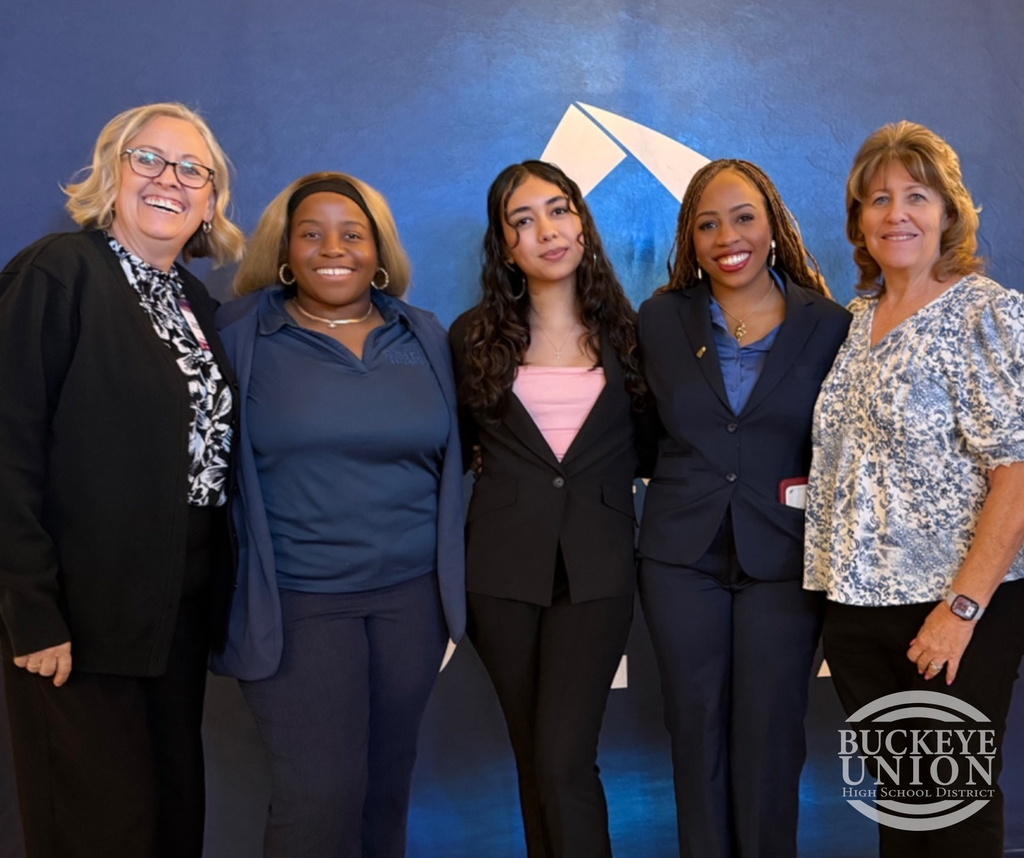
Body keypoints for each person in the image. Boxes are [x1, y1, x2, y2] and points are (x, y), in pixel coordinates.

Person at [0, 102, 244, 858]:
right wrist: (31, 611)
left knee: (170, 822)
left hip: (172, 618)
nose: (169, 179)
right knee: (97, 831)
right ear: (111, 173)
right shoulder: (58, 273)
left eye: (191, 170)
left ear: (209, 202)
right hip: (79, 624)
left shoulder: (195, 304)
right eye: (149, 159)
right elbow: (8, 448)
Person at [210, 171, 465, 857]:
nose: (334, 247)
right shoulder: (240, 335)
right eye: (312, 233)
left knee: (385, 790)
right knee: (317, 797)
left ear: (378, 250)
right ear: (285, 252)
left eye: (353, 233)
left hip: (411, 603)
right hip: (297, 601)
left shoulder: (425, 335)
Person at [805, 121, 1024, 858]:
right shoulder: (858, 320)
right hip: (861, 611)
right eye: (878, 199)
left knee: (953, 815)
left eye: (916, 196)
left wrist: (960, 610)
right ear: (859, 222)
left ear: (948, 213)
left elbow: (1017, 475)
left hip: (953, 615)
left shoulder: (984, 312)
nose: (896, 213)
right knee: (906, 814)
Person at [637, 159, 851, 858]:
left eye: (743, 217)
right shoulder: (661, 320)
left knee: (769, 731)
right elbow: (638, 434)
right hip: (680, 558)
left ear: (773, 225)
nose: (727, 236)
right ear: (690, 239)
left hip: (782, 558)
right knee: (695, 728)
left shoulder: (829, 323)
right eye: (707, 223)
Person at [449, 159, 647, 858]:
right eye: (522, 220)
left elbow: (653, 447)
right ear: (505, 246)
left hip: (596, 576)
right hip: (500, 574)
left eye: (559, 210)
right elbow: (458, 447)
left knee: (565, 759)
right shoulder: (472, 338)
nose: (546, 230)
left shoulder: (633, 336)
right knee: (535, 761)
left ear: (583, 225)